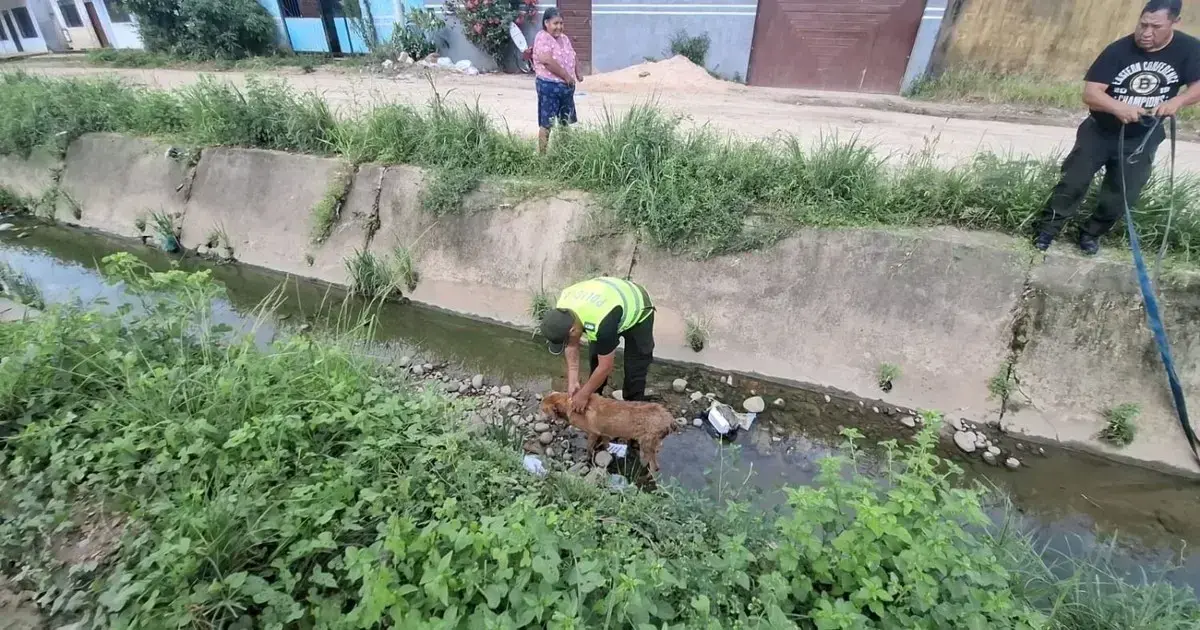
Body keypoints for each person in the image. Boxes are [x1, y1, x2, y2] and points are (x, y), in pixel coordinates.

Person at [1035, 0, 1200, 255]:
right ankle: (1047, 230)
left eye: (1155, 27)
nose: (1146, 33)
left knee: (1123, 194)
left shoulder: (1188, 48)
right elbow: (1091, 94)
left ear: (1174, 22)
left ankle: (1091, 233)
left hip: (1143, 136)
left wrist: (1177, 101)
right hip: (1100, 131)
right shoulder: (1119, 50)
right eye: (1143, 24)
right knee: (1073, 183)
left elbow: (1197, 85)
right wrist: (1118, 107)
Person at [539, 277, 656, 413]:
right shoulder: (562, 310)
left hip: (637, 308)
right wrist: (573, 380)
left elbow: (605, 366)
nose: (567, 344)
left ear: (573, 330)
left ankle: (633, 411)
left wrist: (583, 394)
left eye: (565, 341)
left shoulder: (600, 324)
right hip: (606, 306)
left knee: (635, 368)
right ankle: (595, 399)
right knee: (595, 358)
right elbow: (571, 345)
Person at [532, 7, 582, 154]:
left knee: (565, 122)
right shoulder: (542, 37)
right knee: (546, 123)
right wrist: (566, 76)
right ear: (546, 23)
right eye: (555, 23)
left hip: (566, 88)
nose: (559, 27)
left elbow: (573, 55)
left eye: (561, 23)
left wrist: (578, 73)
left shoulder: (564, 38)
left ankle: (564, 154)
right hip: (549, 86)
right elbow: (546, 60)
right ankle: (542, 157)